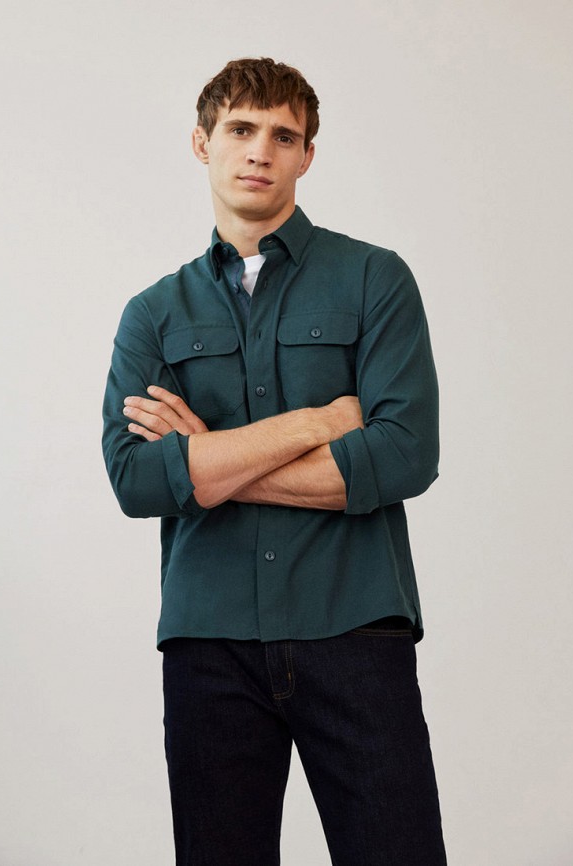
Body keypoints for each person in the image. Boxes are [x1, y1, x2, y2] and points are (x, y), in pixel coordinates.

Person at [102, 57, 447, 866]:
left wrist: (205, 462)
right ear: (203, 143)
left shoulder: (375, 280)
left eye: (283, 136)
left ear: (307, 156)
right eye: (241, 129)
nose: (260, 150)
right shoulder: (153, 313)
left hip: (356, 628)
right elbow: (136, 479)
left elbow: (404, 454)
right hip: (209, 641)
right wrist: (317, 425)